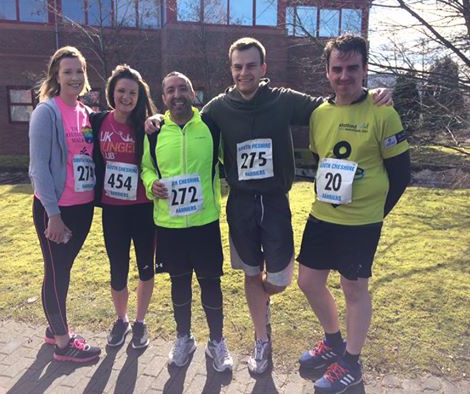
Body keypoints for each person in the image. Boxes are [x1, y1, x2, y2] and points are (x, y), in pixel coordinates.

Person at [146, 37, 392, 375]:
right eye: (237, 67)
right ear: (231, 70)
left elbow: (334, 101)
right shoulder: (217, 108)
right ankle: (262, 340)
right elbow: (185, 121)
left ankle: (266, 304)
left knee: (279, 280)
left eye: (250, 66)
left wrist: (372, 94)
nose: (244, 72)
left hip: (276, 203)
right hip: (241, 204)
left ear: (264, 68)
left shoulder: (284, 100)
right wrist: (157, 120)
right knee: (250, 273)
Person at [296, 34, 410, 393]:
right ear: (328, 72)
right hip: (323, 215)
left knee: (353, 288)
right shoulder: (319, 114)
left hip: (361, 222)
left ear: (365, 70)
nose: (344, 76)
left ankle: (351, 363)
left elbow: (401, 174)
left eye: (352, 68)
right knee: (308, 281)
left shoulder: (382, 111)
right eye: (337, 69)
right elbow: (322, 159)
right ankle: (333, 342)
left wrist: (376, 213)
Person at [141, 72, 233, 373]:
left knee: (210, 283)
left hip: (205, 222)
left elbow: (228, 160)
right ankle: (184, 338)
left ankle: (217, 341)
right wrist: (151, 183)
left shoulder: (211, 127)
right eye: (170, 90)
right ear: (163, 97)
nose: (177, 95)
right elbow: (146, 167)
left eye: (183, 88)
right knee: (179, 283)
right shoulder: (154, 132)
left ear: (193, 93)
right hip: (169, 224)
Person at [29, 46, 100, 362]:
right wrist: (53, 215)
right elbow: (38, 167)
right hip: (56, 209)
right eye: (68, 71)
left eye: (79, 71)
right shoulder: (47, 111)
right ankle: (62, 343)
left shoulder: (84, 112)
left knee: (63, 270)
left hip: (82, 207)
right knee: (56, 272)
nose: (75, 76)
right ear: (56, 76)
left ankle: (53, 328)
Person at [90, 64, 157, 349]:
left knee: (146, 268)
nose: (126, 97)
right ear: (111, 93)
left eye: (132, 92)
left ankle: (140, 322)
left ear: (139, 95)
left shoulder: (147, 125)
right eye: (121, 91)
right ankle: (122, 320)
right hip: (113, 208)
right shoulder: (97, 122)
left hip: (143, 208)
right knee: (117, 268)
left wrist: (156, 120)